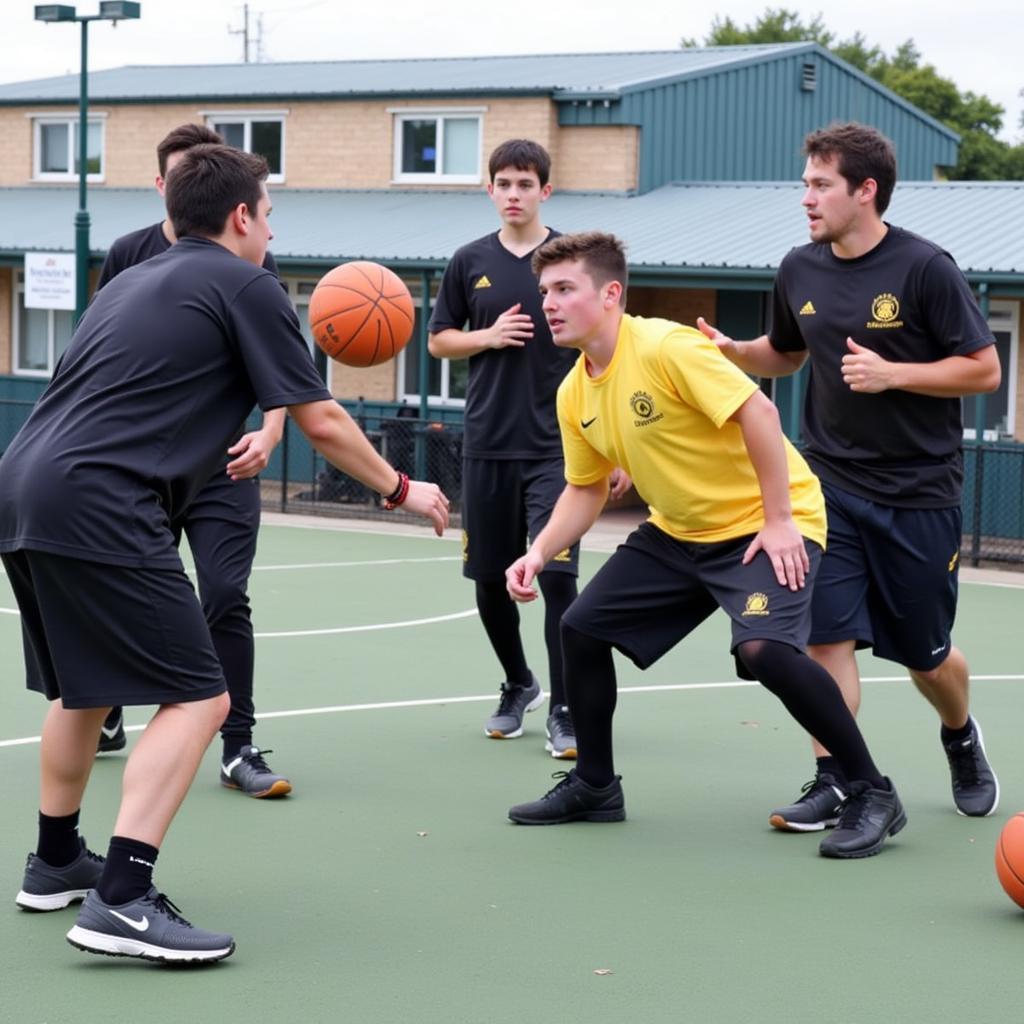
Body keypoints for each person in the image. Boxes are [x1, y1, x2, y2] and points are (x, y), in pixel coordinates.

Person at [5, 143, 449, 962]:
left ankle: (57, 859)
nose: (271, 230)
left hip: (26, 484)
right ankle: (124, 899)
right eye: (269, 214)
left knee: (81, 688)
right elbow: (320, 419)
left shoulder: (132, 279)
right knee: (202, 699)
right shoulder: (245, 283)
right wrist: (401, 489)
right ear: (242, 216)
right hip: (103, 499)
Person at [505, 231, 905, 860]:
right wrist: (538, 550)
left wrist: (778, 521)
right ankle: (595, 786)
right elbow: (584, 490)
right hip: (679, 531)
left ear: (610, 295)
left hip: (766, 520)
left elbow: (760, 415)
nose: (548, 304)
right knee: (580, 628)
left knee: (765, 650)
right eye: (543, 292)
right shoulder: (574, 391)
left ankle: (872, 791)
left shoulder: (666, 346)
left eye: (563, 289)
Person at [699, 121, 1000, 831]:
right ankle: (838, 779)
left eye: (820, 184)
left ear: (865, 191)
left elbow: (984, 368)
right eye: (805, 182)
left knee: (928, 659)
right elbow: (787, 353)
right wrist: (736, 351)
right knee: (823, 641)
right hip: (828, 486)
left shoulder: (926, 268)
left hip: (918, 493)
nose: (805, 196)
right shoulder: (798, 267)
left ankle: (959, 734)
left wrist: (895, 373)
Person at [94, 122, 292, 801]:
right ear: (165, 184)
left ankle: (239, 748)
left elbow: (285, 375)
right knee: (128, 597)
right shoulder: (130, 254)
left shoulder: (251, 262)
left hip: (222, 461)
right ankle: (107, 707)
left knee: (224, 593)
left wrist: (269, 433)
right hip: (143, 466)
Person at [428, 139, 629, 758]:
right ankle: (520, 683)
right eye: (503, 183)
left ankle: (566, 706)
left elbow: (614, 349)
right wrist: (485, 336)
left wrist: (619, 446)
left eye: (525, 184)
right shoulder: (469, 261)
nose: (513, 194)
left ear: (546, 190)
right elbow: (438, 342)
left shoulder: (571, 261)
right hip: (487, 443)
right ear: (489, 190)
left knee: (558, 579)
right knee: (490, 582)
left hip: (561, 450)